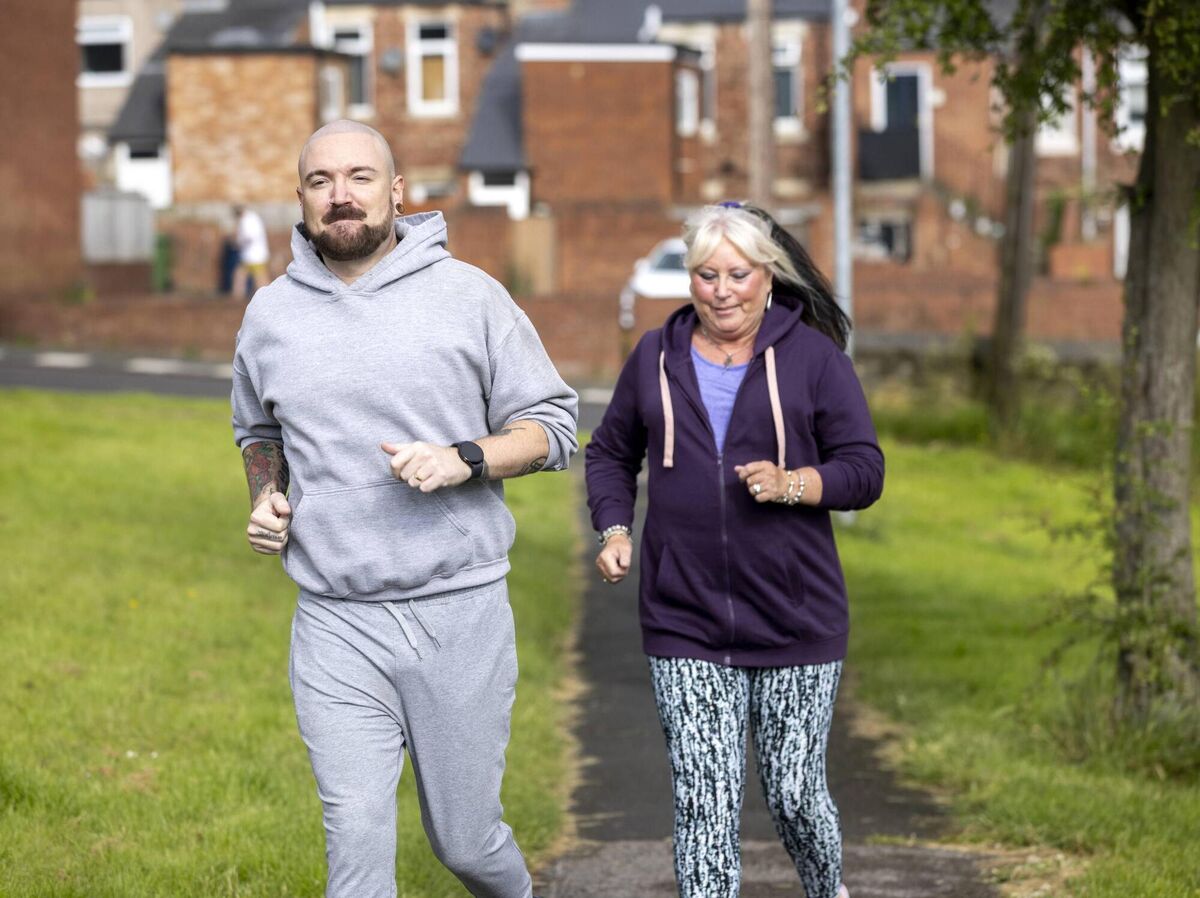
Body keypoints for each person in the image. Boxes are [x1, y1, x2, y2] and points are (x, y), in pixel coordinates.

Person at [230, 119, 577, 898]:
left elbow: (554, 428)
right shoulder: (270, 315)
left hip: (459, 614)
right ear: (301, 198)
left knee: (466, 842)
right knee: (354, 844)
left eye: (359, 177)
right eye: (321, 181)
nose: (340, 196)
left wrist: (465, 458)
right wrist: (268, 497)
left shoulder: (470, 297)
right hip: (334, 620)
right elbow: (258, 432)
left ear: (395, 192)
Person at [585, 202, 884, 898]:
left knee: (793, 794)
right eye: (706, 274)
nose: (722, 290)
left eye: (738, 275)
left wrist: (794, 483)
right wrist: (615, 528)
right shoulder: (655, 356)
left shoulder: (812, 359)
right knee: (705, 799)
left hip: (796, 618)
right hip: (682, 618)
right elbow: (609, 453)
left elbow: (865, 469)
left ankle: (827, 888)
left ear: (769, 277)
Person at [232, 203, 270, 298]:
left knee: (260, 279)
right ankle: (237, 298)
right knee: (241, 276)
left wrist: (238, 242)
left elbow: (249, 236)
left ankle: (266, 298)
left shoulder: (248, 220)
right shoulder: (251, 218)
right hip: (251, 255)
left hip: (254, 256)